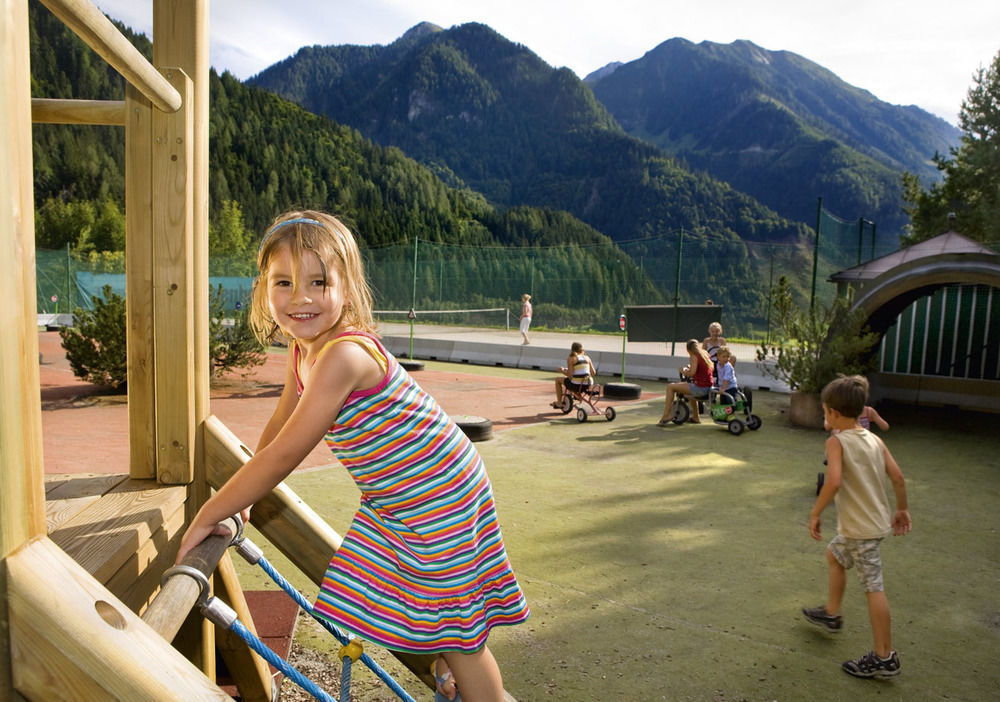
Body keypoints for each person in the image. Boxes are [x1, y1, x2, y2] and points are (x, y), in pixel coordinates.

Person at [175, 211, 529, 702]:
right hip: (404, 495)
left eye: (318, 281)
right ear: (263, 288)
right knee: (437, 606)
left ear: (347, 286)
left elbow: (285, 457)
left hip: (438, 491)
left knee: (460, 632)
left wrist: (212, 511)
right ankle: (452, 670)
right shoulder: (303, 350)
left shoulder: (343, 355)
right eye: (284, 282)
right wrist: (241, 499)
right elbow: (279, 427)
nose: (300, 297)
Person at [803, 375, 911, 679]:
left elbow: (833, 481)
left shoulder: (836, 441)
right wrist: (901, 509)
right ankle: (832, 613)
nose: (825, 417)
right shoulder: (874, 438)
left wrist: (815, 512)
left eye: (825, 412)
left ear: (834, 413)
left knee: (873, 588)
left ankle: (884, 657)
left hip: (861, 531)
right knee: (835, 555)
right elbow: (898, 477)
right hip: (865, 526)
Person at [657, 338, 713, 426]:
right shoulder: (704, 354)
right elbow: (701, 369)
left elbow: (691, 373)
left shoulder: (694, 356)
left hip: (700, 388)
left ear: (688, 349)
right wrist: (690, 367)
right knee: (689, 392)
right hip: (707, 386)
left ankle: (666, 415)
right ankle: (695, 417)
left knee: (670, 386)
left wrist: (683, 371)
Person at [551, 341, 596, 408]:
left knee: (558, 380)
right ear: (582, 350)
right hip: (588, 384)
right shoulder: (587, 358)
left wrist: (562, 370)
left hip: (577, 385)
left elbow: (570, 375)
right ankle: (577, 395)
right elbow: (593, 373)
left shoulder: (571, 358)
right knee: (572, 381)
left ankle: (559, 403)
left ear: (572, 350)